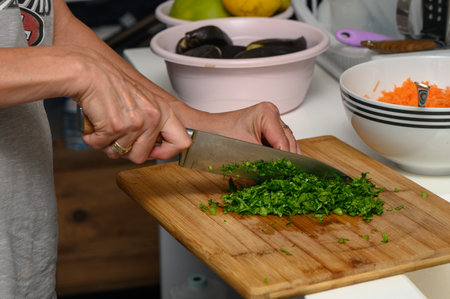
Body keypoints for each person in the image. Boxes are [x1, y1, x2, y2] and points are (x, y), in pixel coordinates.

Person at [0, 0, 299, 298]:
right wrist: (78, 69)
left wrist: (197, 122)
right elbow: (74, 62)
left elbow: (49, 21)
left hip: (22, 245)